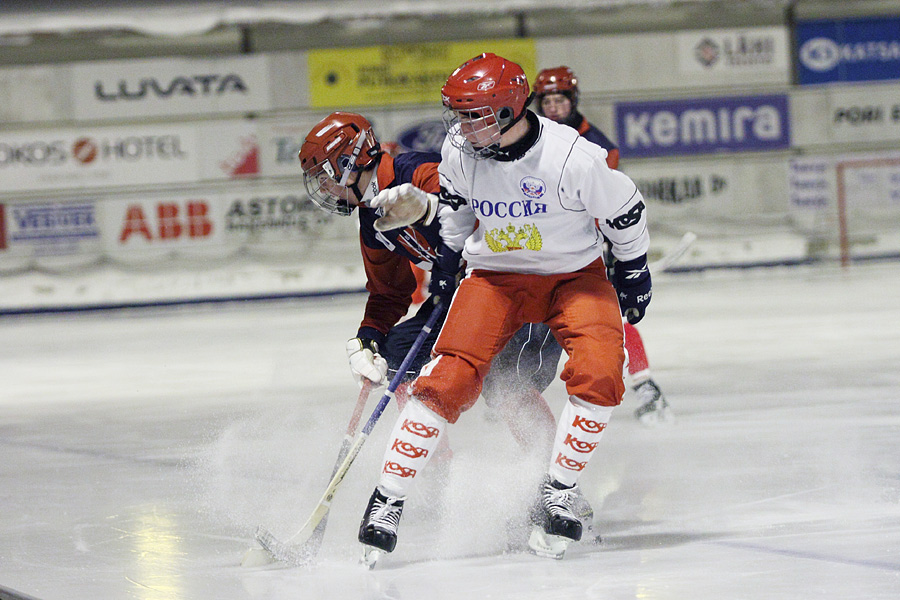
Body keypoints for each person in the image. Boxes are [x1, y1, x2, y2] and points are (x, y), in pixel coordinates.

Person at [357, 53, 652, 562]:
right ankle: (387, 500)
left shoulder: (572, 158)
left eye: (475, 115)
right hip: (494, 277)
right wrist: (448, 261)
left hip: (572, 277)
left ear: (509, 111)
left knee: (603, 370)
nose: (462, 128)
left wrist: (632, 270)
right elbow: (457, 207)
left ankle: (558, 490)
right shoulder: (459, 149)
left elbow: (625, 211)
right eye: (459, 115)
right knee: (447, 378)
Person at [297, 112, 558, 457]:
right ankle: (435, 477)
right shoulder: (371, 219)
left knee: (504, 382)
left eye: (325, 176)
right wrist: (369, 338)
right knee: (396, 359)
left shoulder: (422, 173)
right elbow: (389, 291)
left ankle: (555, 480)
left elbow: (483, 217)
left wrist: (430, 213)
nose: (325, 188)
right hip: (460, 298)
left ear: (350, 162)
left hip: (516, 285)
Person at [533, 65, 672, 426]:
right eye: (547, 100)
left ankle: (644, 385)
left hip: (586, 248)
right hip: (543, 247)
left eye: (559, 99)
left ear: (572, 100)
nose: (553, 107)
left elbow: (603, 202)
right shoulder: (533, 137)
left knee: (607, 316)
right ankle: (519, 389)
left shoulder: (597, 145)